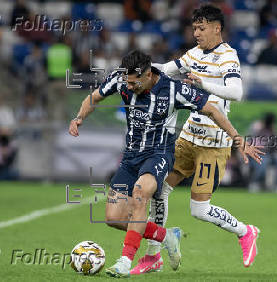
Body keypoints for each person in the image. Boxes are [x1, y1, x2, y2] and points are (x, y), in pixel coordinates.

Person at [68, 50, 262, 278]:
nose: (128, 87)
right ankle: (165, 235)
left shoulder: (173, 89)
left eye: (133, 82)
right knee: (114, 218)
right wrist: (79, 117)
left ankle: (124, 261)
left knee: (142, 193)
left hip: (159, 154)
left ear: (148, 74)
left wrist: (237, 139)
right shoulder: (121, 80)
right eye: (127, 82)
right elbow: (95, 97)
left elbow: (211, 109)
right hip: (131, 157)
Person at [132, 5, 263, 274]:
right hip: (188, 137)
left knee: (199, 210)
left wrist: (204, 85)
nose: (197, 33)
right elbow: (165, 70)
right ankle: (153, 256)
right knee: (159, 190)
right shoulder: (193, 54)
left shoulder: (228, 56)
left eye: (202, 28)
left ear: (217, 28)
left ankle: (246, 231)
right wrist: (134, 71)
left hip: (214, 144)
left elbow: (236, 92)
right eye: (194, 28)